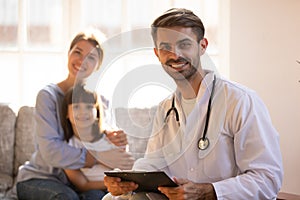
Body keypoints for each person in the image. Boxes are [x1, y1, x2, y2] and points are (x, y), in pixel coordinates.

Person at [103, 8, 283, 200]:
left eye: (184, 44)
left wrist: (209, 191)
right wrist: (127, 183)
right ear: (157, 53)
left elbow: (268, 179)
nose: (175, 54)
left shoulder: (240, 101)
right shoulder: (166, 108)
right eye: (166, 47)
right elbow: (153, 164)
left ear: (202, 46)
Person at [16, 29, 134, 200]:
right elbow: (51, 151)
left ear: (98, 66)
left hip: (84, 181)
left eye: (91, 57)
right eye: (77, 52)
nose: (81, 60)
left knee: (97, 197)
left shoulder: (101, 101)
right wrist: (97, 156)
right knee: (67, 197)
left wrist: (115, 139)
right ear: (68, 54)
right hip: (43, 178)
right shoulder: (48, 96)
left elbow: (109, 145)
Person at [61, 83, 126, 199]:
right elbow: (83, 184)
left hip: (120, 189)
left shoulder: (110, 137)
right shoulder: (67, 147)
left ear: (97, 111)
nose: (83, 112)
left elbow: (125, 166)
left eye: (89, 107)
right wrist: (109, 184)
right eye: (76, 107)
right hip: (95, 190)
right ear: (66, 113)